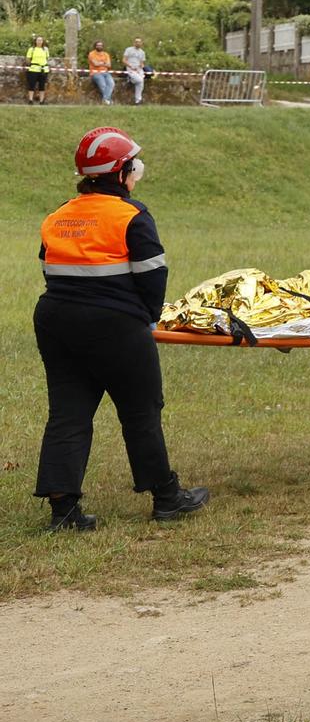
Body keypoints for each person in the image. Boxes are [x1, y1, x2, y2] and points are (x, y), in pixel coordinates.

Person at [34, 127, 209, 530]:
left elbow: (49, 268)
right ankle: (166, 497)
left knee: (68, 413)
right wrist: (145, 318)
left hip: (55, 319)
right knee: (140, 410)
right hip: (115, 326)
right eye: (134, 167)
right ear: (121, 172)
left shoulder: (59, 214)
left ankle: (63, 511)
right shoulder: (132, 216)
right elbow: (153, 276)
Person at [24, 34, 52, 104]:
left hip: (43, 70)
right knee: (31, 85)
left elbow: (47, 58)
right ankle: (30, 100)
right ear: (35, 41)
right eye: (38, 40)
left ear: (43, 41)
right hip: (34, 69)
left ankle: (41, 101)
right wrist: (32, 64)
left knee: (42, 86)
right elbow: (28, 59)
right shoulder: (31, 49)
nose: (39, 41)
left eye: (41, 40)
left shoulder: (45, 49)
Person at [123, 38, 149, 104]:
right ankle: (130, 78)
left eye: (139, 42)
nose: (138, 43)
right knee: (140, 80)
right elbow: (124, 60)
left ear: (141, 43)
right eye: (136, 42)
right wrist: (131, 66)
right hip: (130, 68)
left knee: (140, 82)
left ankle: (138, 101)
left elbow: (142, 63)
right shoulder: (128, 49)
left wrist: (142, 67)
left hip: (138, 69)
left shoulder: (142, 52)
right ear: (134, 43)